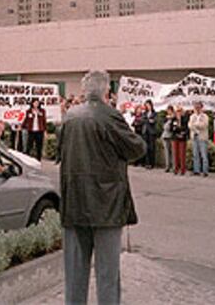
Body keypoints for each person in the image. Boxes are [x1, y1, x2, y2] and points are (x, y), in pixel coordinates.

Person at [59, 70, 146, 305]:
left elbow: (61, 152)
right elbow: (137, 148)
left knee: (75, 273)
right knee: (107, 274)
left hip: (74, 202)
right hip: (106, 203)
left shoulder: (70, 116)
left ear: (85, 90)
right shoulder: (110, 115)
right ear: (106, 90)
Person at [188, 102, 209, 176]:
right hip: (194, 136)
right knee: (195, 154)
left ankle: (205, 171)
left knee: (204, 154)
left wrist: (196, 124)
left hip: (202, 137)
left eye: (198, 107)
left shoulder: (205, 116)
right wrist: (195, 125)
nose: (197, 109)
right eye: (195, 107)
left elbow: (204, 125)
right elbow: (190, 125)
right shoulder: (192, 116)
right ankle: (196, 170)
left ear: (201, 108)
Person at [171, 105, 189, 175]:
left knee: (182, 154)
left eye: (180, 111)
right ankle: (176, 168)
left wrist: (182, 132)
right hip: (175, 137)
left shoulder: (185, 118)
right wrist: (176, 129)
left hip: (182, 138)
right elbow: (172, 128)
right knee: (175, 154)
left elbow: (186, 128)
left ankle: (183, 169)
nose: (178, 113)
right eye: (177, 111)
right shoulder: (174, 119)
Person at [142, 99, 157, 169]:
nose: (148, 106)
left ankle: (152, 163)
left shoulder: (154, 113)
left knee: (152, 148)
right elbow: (143, 120)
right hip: (145, 131)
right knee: (146, 147)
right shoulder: (145, 113)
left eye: (148, 105)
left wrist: (150, 120)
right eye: (146, 105)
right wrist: (148, 120)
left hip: (151, 131)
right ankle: (147, 163)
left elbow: (154, 121)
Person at [161, 106, 175, 172]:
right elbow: (163, 126)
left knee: (172, 152)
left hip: (171, 135)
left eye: (169, 110)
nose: (168, 112)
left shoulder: (174, 118)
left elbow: (172, 127)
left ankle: (173, 166)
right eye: (167, 110)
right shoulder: (166, 118)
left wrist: (171, 119)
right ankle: (167, 166)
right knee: (166, 152)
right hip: (165, 135)